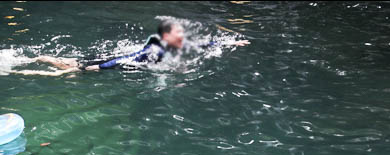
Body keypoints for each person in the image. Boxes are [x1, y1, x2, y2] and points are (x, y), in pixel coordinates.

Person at [14, 19, 249, 77]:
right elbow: (130, 58)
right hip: (112, 63)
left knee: (71, 63)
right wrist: (98, 68)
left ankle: (38, 59)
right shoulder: (157, 50)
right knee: (68, 71)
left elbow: (202, 43)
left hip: (112, 57)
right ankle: (30, 69)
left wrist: (230, 42)